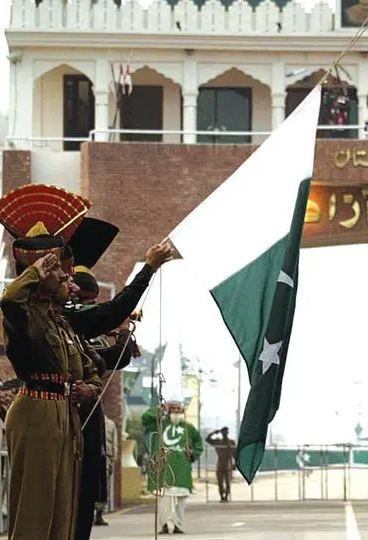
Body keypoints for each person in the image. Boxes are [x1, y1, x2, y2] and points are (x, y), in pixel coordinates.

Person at [0, 184, 103, 540]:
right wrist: (36, 270)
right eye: (59, 272)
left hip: (62, 412)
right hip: (35, 410)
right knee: (35, 511)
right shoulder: (24, 314)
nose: (66, 278)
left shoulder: (57, 321)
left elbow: (90, 369)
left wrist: (91, 388)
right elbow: (9, 298)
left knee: (62, 511)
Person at [59, 217, 172, 540]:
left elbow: (103, 361)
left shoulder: (67, 319)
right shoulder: (56, 315)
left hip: (80, 420)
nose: (69, 285)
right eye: (63, 278)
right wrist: (147, 269)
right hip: (59, 420)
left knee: (81, 502)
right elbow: (107, 317)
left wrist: (122, 335)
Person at [143, 400, 203, 534]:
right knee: (164, 499)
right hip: (164, 469)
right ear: (169, 412)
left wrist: (191, 452)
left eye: (179, 411)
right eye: (174, 411)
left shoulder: (189, 429)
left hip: (182, 470)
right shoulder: (159, 424)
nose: (176, 414)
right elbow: (146, 418)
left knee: (180, 500)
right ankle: (164, 524)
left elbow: (199, 445)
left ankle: (177, 525)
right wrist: (160, 408)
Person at [206, 427, 236, 502]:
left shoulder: (231, 442)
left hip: (228, 463)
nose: (225, 434)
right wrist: (215, 432)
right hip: (220, 463)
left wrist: (235, 464)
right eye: (223, 432)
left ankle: (226, 496)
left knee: (228, 481)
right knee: (220, 482)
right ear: (221, 433)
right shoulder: (218, 442)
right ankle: (222, 496)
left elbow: (235, 454)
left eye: (226, 432)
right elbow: (207, 439)